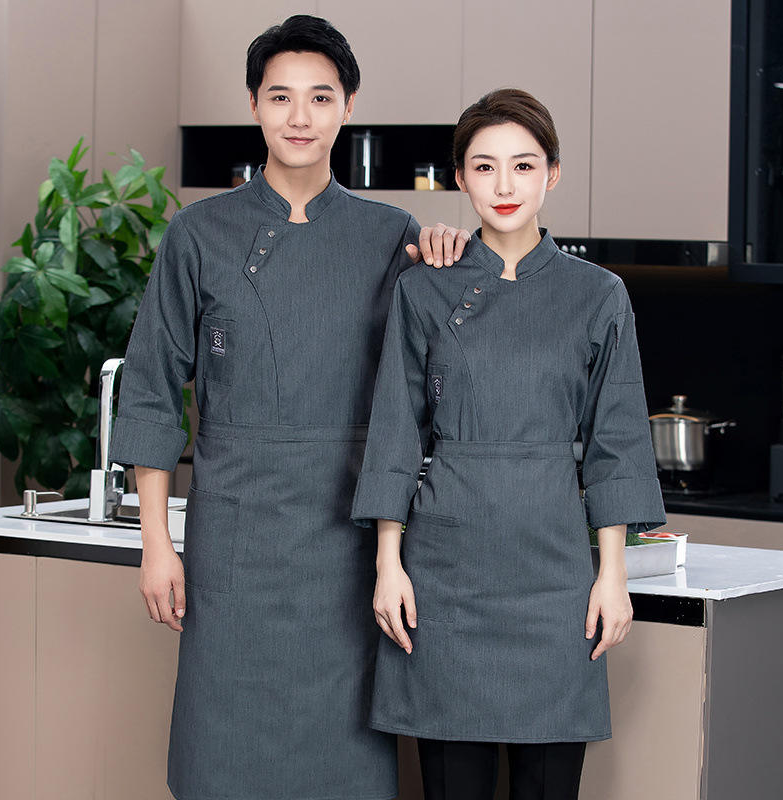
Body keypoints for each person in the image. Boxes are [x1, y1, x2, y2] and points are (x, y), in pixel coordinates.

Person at [109, 14, 469, 800]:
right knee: (221, 760)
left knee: (344, 762)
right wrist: (155, 544)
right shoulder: (198, 234)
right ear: (254, 105)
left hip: (349, 544)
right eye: (280, 97)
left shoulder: (392, 235)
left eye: (320, 97)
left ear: (348, 106)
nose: (299, 116)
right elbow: (151, 388)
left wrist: (447, 266)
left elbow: (430, 381)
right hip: (233, 544)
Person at [350, 88, 667, 800]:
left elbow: (616, 440)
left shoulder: (599, 294)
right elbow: (395, 431)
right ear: (460, 178)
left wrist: (612, 575)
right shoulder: (422, 291)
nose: (504, 185)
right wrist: (388, 565)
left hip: (556, 580)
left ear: (552, 173)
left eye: (523, 166)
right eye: (484, 166)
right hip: (444, 578)